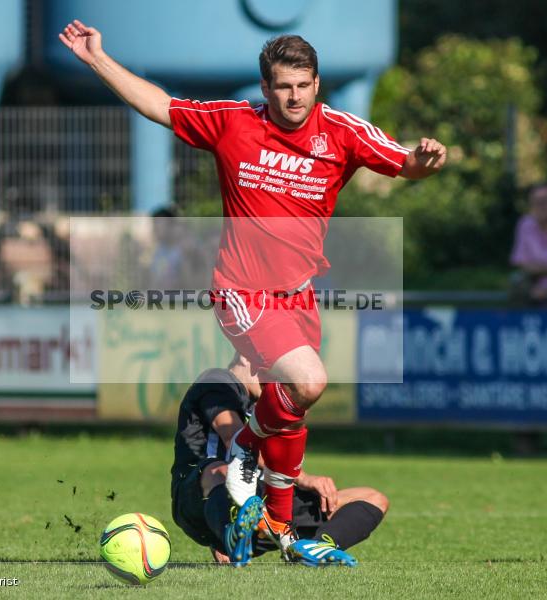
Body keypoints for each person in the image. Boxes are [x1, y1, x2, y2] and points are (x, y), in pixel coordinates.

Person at [59, 21, 444, 556]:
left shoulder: (342, 132)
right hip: (241, 290)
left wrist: (423, 163)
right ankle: (243, 448)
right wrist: (97, 59)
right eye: (283, 86)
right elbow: (160, 106)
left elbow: (405, 163)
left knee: (290, 411)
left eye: (304, 85)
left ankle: (285, 536)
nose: (295, 96)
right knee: (307, 382)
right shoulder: (233, 123)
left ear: (317, 83)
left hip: (299, 299)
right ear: (265, 89)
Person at [171, 354, 389, 567]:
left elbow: (280, 457)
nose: (276, 381)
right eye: (274, 372)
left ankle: (312, 548)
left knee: (373, 498)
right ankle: (230, 531)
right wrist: (303, 478)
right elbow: (236, 441)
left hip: (258, 505)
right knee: (223, 470)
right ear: (247, 357)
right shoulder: (218, 381)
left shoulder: (266, 405)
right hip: (197, 501)